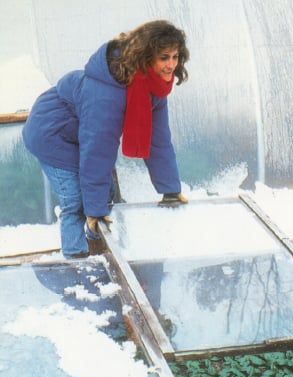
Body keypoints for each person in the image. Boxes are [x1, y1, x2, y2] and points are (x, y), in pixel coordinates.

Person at [23, 20, 189, 259]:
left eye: (175, 56)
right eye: (164, 57)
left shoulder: (153, 86)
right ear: (145, 55)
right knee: (76, 199)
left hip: (81, 133)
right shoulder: (108, 93)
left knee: (105, 193)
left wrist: (171, 190)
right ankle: (77, 260)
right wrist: (94, 211)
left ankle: (100, 247)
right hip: (51, 133)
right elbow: (97, 150)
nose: (171, 64)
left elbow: (158, 141)